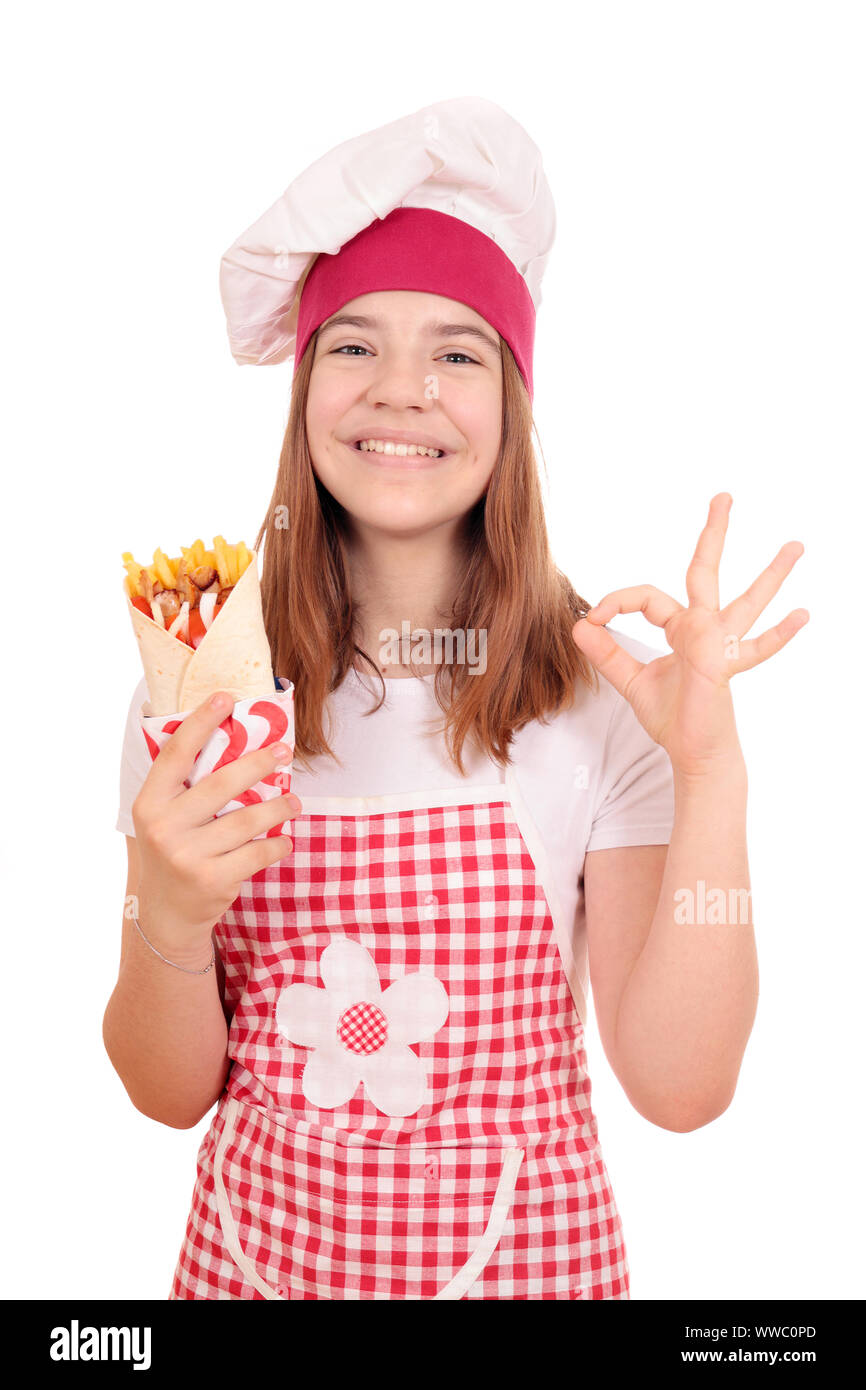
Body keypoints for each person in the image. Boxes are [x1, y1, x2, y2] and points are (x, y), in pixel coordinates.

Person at [103, 97, 808, 1301]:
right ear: (305, 387)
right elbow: (167, 1096)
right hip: (250, 1266)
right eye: (356, 343)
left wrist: (707, 773)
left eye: (457, 351)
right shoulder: (204, 686)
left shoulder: (599, 698)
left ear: (511, 405)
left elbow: (681, 1092)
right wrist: (164, 918)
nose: (403, 390)